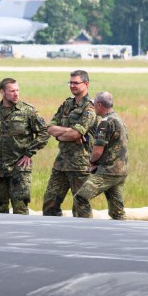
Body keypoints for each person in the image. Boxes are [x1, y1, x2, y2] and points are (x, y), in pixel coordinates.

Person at [0, 78, 49, 214]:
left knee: (20, 210)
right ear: (2, 92)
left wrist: (29, 153)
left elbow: (44, 132)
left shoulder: (28, 111)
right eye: (12, 91)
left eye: (17, 90)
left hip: (19, 169)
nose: (16, 94)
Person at [42, 70, 97, 217]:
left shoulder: (90, 108)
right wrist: (65, 134)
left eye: (76, 83)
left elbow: (77, 133)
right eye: (70, 82)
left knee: (80, 207)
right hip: (61, 163)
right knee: (50, 203)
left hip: (80, 165)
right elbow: (49, 128)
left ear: (86, 84)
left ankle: (82, 237)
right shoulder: (66, 104)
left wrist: (63, 134)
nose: (72, 85)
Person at [73, 91, 128, 219]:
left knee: (81, 197)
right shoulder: (118, 119)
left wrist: (91, 162)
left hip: (107, 172)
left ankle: (87, 229)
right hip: (121, 172)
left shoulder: (105, 122)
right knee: (117, 212)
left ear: (98, 105)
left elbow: (98, 150)